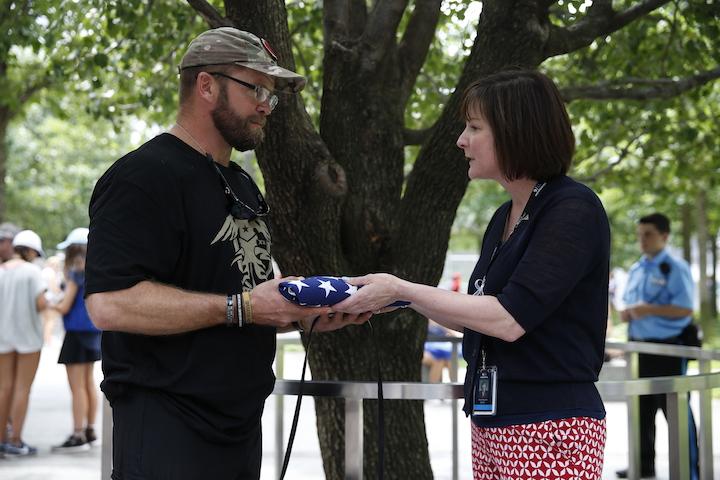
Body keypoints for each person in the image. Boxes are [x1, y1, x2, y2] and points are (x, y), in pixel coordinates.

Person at [85, 27, 369, 479]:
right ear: (206, 85)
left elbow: (240, 296)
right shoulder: (141, 177)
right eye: (256, 88)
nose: (265, 105)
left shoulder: (241, 181)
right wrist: (247, 307)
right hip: (167, 428)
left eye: (272, 96)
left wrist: (301, 315)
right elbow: (109, 304)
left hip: (239, 427)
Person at [336, 70, 609, 479]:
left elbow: (508, 319)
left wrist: (402, 287)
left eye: (474, 127)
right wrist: (397, 297)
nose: (461, 139)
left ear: (517, 131)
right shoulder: (504, 215)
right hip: (493, 418)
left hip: (549, 425)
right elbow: (477, 313)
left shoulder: (572, 208)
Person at [617, 213, 699, 479]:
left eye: (648, 234)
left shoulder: (675, 268)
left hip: (669, 349)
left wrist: (648, 309)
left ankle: (690, 469)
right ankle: (643, 466)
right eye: (640, 234)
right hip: (639, 348)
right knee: (642, 410)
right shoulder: (638, 268)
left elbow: (686, 308)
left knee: (675, 410)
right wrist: (628, 312)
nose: (642, 240)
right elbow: (629, 301)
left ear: (664, 236)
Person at [51, 228, 102, 452]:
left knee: (77, 387)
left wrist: (45, 303)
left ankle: (77, 433)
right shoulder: (95, 270)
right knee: (89, 383)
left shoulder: (76, 273)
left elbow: (64, 306)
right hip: (92, 332)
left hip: (75, 334)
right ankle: (90, 429)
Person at [0, 230, 47, 457]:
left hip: (2, 336)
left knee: (3, 388)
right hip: (28, 336)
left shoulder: (0, 271)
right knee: (22, 388)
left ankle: (1, 439)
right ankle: (16, 440)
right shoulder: (32, 272)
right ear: (29, 251)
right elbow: (40, 304)